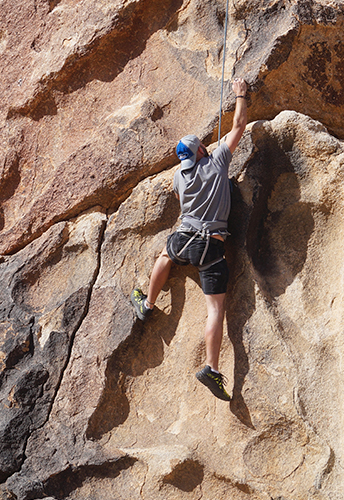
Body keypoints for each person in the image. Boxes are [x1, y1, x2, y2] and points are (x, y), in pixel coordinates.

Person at [130, 78, 249, 401]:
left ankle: (148, 304)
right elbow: (239, 124)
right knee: (215, 309)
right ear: (200, 150)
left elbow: (186, 193)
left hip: (183, 238)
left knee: (166, 257)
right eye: (202, 147)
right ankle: (210, 368)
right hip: (211, 244)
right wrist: (240, 93)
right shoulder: (216, 161)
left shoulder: (179, 177)